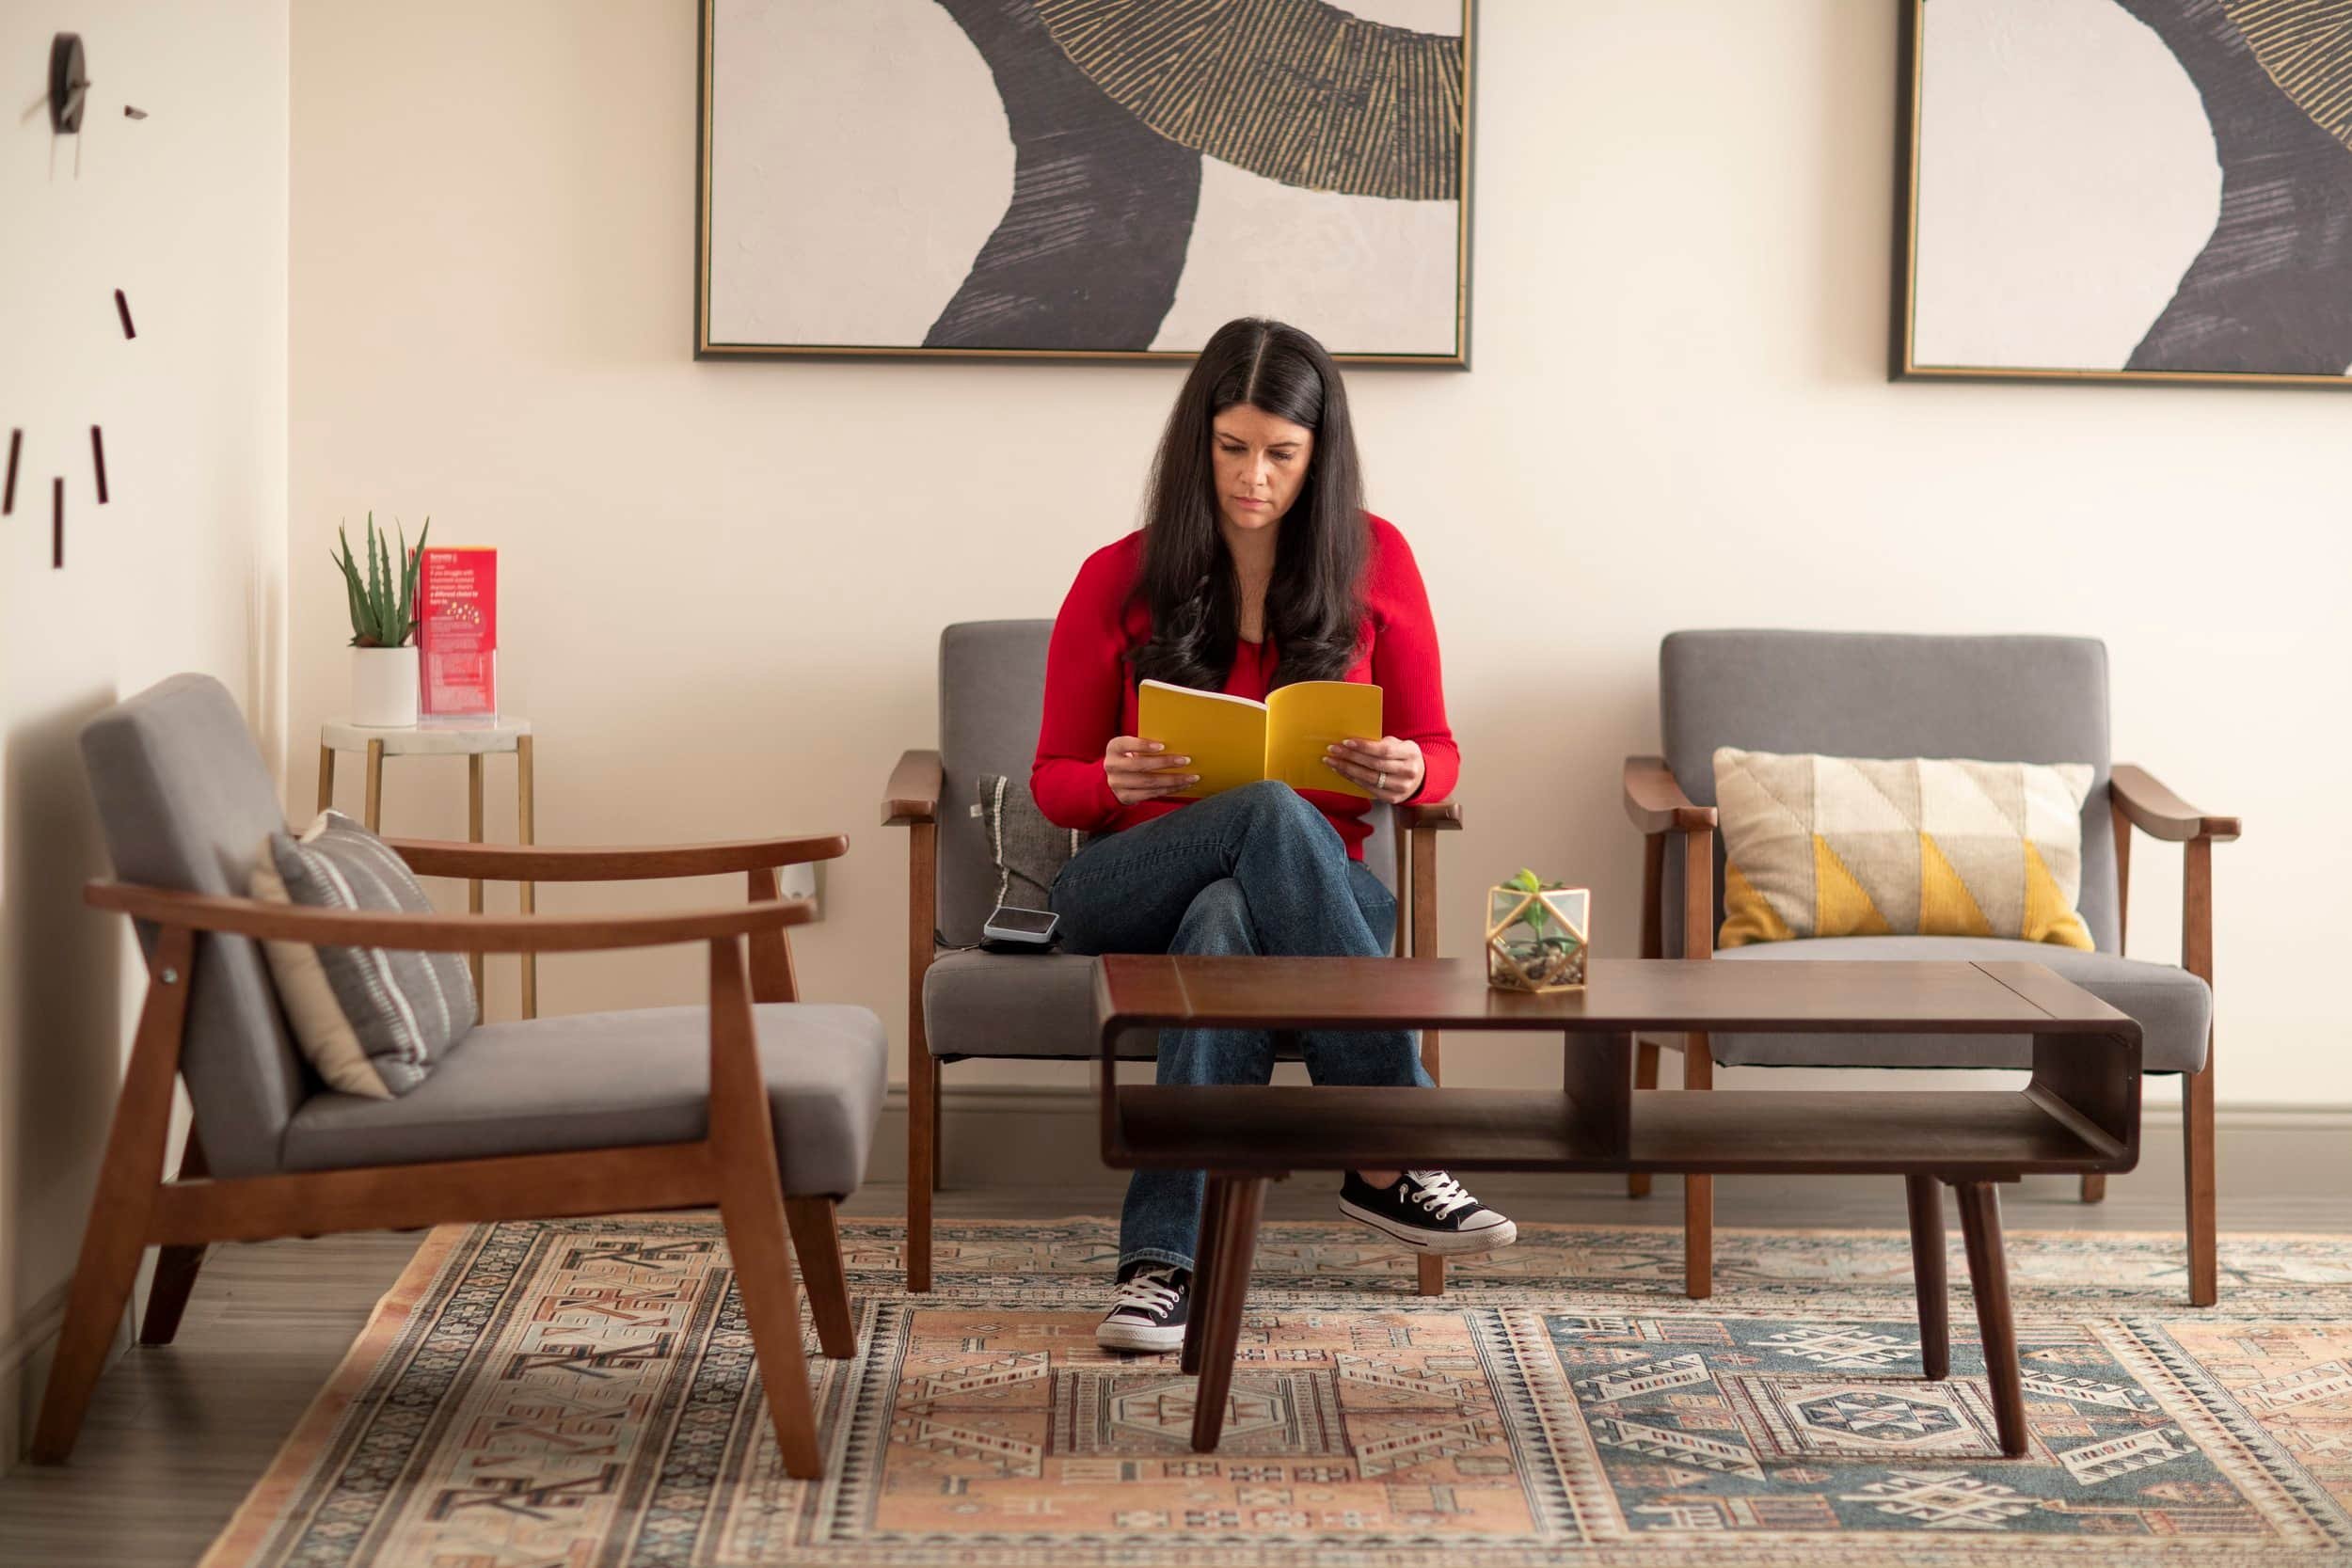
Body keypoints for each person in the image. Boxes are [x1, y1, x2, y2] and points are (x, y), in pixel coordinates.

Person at [1032, 317, 1517, 1354]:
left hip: (1317, 891)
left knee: (1223, 921)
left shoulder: (1377, 560)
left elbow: (1437, 749)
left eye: (1281, 454)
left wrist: (1412, 770)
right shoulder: (1116, 575)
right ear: (1197, 442)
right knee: (1263, 810)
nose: (1254, 477)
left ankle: (1160, 1269)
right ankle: (1394, 1143)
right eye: (1232, 447)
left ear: (1318, 454)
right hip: (1124, 884)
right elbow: (1052, 781)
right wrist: (1107, 776)